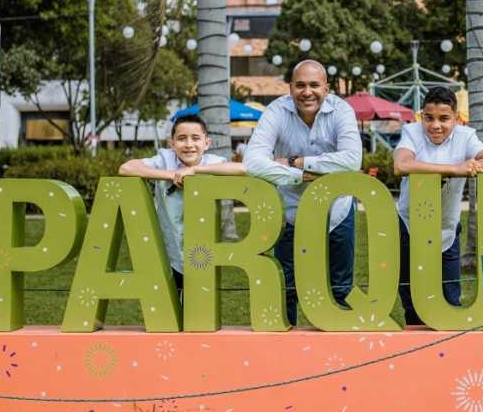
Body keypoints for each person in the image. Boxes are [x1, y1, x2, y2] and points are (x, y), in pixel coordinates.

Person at [243, 60, 362, 326]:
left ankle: (344, 347)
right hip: (290, 210)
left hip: (338, 210)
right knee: (286, 285)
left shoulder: (342, 110)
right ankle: (285, 351)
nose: (307, 92)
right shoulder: (275, 111)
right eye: (300, 85)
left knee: (341, 286)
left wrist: (296, 162)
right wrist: (300, 176)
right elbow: (252, 162)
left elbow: (353, 160)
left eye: (314, 85)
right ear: (290, 88)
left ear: (327, 88)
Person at [392, 87, 483, 325]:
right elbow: (401, 165)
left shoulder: (466, 136)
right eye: (429, 118)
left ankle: (450, 351)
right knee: (412, 299)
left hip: (446, 227)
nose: (435, 125)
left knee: (450, 298)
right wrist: (455, 169)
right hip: (409, 225)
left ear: (456, 119)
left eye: (444, 119)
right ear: (422, 116)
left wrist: (469, 164)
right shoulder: (411, 131)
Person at [118, 114, 226, 300]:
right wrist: (171, 175)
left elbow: (243, 169)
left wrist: (193, 170)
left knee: (198, 309)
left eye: (196, 138)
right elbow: (125, 168)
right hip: (170, 248)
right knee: (169, 308)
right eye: (182, 138)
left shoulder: (213, 162)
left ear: (207, 143)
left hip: (202, 251)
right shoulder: (164, 159)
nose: (189, 144)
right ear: (172, 143)